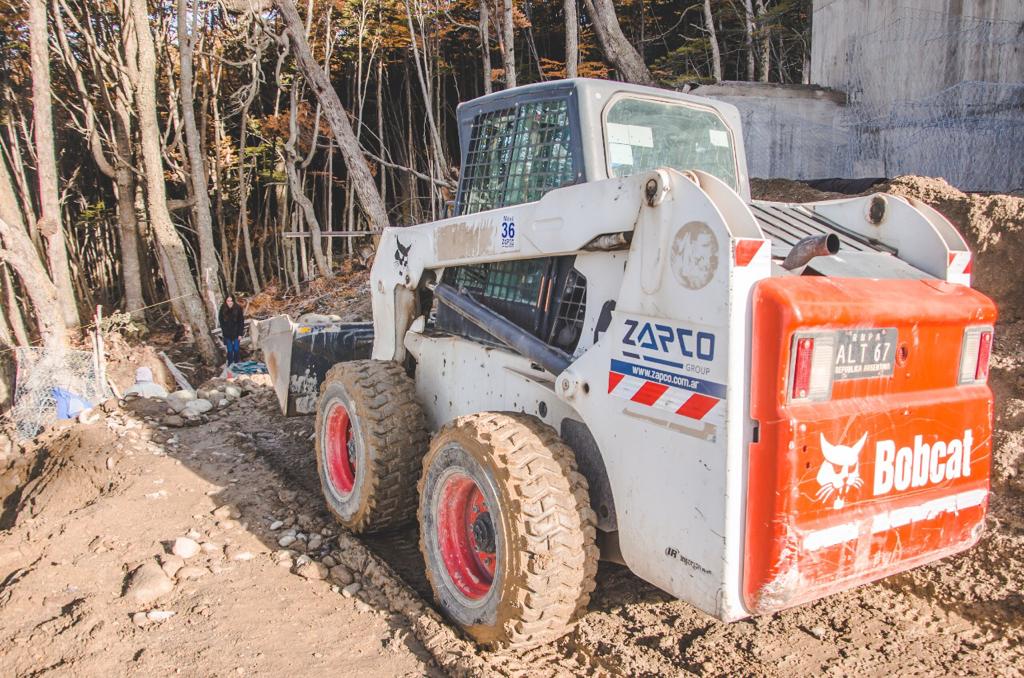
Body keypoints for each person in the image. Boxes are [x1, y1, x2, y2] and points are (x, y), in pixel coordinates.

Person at [219, 295, 245, 365]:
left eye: (231, 301)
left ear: (233, 301)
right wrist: (225, 332)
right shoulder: (222, 308)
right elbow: (221, 322)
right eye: (228, 301)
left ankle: (237, 363)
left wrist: (240, 334)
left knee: (236, 349)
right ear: (225, 301)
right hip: (227, 333)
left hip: (236, 332)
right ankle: (230, 364)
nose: (230, 302)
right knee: (230, 350)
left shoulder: (238, 308)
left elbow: (241, 322)